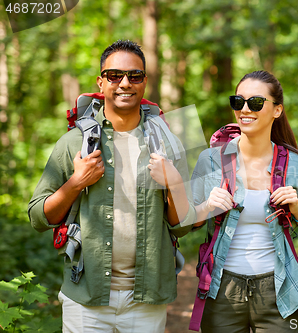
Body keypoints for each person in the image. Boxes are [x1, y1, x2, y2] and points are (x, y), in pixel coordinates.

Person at [28, 40, 195, 332]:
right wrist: (75, 183)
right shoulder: (74, 144)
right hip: (86, 297)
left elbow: (181, 226)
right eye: (115, 75)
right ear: (101, 82)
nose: (125, 84)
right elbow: (38, 217)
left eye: (135, 76)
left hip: (147, 298)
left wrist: (175, 184)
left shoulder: (168, 144)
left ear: (145, 81)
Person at [191, 70, 298, 332]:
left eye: (255, 102)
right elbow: (184, 223)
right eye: (238, 102)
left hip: (279, 289)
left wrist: (297, 210)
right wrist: (206, 207)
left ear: (277, 110)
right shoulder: (210, 160)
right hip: (221, 290)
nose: (244, 110)